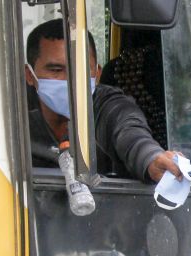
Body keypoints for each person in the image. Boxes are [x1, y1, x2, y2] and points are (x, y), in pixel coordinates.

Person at [24, 19, 179, 182]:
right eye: (56, 70)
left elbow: (132, 135)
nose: (70, 80)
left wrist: (151, 158)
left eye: (81, 69)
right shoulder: (13, 111)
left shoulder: (110, 105)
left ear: (97, 74)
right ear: (29, 75)